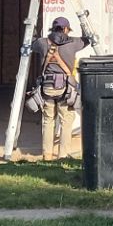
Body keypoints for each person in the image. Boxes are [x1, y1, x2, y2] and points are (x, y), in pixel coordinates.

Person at [30, 15, 90, 160]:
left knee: (48, 121)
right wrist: (84, 21)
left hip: (47, 89)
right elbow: (87, 39)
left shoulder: (43, 43)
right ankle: (63, 155)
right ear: (65, 29)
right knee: (66, 121)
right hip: (66, 89)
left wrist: (34, 27)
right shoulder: (74, 43)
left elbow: (32, 43)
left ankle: (47, 155)